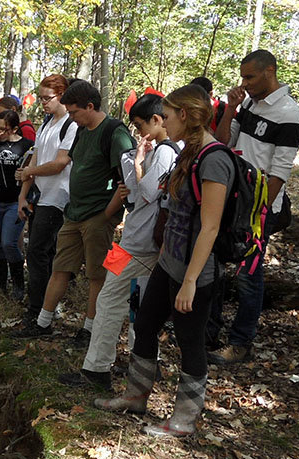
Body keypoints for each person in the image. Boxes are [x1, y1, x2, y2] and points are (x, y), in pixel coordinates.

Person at [93, 84, 231, 438]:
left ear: (184, 115)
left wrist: (189, 281)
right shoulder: (187, 153)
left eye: (167, 116)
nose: (163, 124)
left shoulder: (214, 159)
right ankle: (136, 396)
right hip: (169, 260)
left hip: (195, 272)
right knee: (147, 321)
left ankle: (184, 419)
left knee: (190, 340)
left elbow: (211, 226)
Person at [57, 94, 177, 389]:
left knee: (111, 300)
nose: (138, 133)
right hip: (135, 241)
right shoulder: (157, 150)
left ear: (157, 120)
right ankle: (143, 360)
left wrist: (137, 162)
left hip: (140, 244)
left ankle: (97, 369)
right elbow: (134, 194)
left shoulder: (165, 152)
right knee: (136, 304)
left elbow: (146, 192)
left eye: (140, 125)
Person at [12, 79, 134, 342]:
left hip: (97, 216)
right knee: (60, 267)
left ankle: (90, 329)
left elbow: (127, 179)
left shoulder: (114, 132)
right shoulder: (82, 130)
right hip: (73, 212)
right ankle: (42, 322)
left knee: (95, 275)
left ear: (90, 106)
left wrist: (107, 214)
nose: (72, 118)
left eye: (75, 112)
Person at [207, 50, 299, 365]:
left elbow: (280, 171)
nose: (244, 83)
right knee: (215, 266)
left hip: (259, 208)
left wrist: (256, 212)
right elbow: (222, 143)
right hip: (231, 198)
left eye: (250, 77)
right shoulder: (248, 103)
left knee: (249, 274)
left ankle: (241, 343)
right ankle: (209, 331)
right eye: (243, 77)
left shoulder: (289, 114)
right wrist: (231, 109)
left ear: (269, 72)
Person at [10, 74, 73, 336]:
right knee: (38, 253)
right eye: (41, 98)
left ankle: (39, 311)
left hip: (58, 197)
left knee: (38, 252)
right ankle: (43, 306)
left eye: (48, 98)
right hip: (40, 195)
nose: (43, 103)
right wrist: (23, 194)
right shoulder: (48, 123)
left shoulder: (71, 125)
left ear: (62, 96)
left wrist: (28, 173)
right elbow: (34, 158)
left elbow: (60, 162)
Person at [0, 110, 33, 299]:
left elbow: (31, 171)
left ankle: (19, 285)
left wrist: (26, 174)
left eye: (4, 129)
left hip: (14, 201)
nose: (0, 132)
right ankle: (0, 286)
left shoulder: (26, 145)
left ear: (15, 128)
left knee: (9, 243)